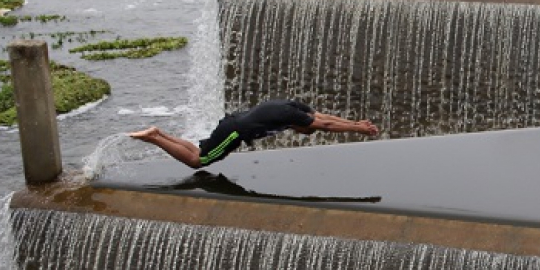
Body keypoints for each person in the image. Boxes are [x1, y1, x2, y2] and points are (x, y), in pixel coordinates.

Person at [129, 99, 379, 169]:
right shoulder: (295, 116)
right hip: (234, 133)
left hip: (231, 123)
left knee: (198, 149)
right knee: (198, 160)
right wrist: (357, 129)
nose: (306, 134)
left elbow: (323, 118)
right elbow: (325, 126)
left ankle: (158, 133)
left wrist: (355, 123)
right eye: (307, 132)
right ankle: (154, 138)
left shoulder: (294, 108)